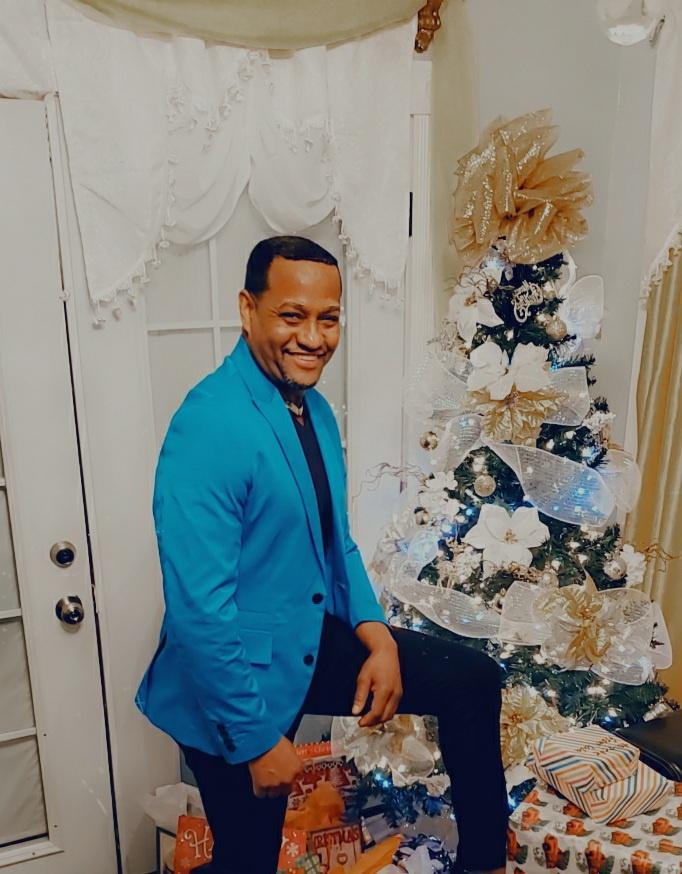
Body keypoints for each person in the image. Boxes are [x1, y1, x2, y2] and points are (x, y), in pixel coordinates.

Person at [136, 236, 508, 874]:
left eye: (328, 318)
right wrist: (257, 740)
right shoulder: (210, 424)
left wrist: (378, 640)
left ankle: (485, 865)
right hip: (231, 677)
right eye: (292, 316)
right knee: (248, 862)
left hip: (301, 638)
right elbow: (200, 612)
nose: (313, 337)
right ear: (247, 309)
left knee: (471, 681)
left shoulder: (312, 410)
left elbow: (338, 543)